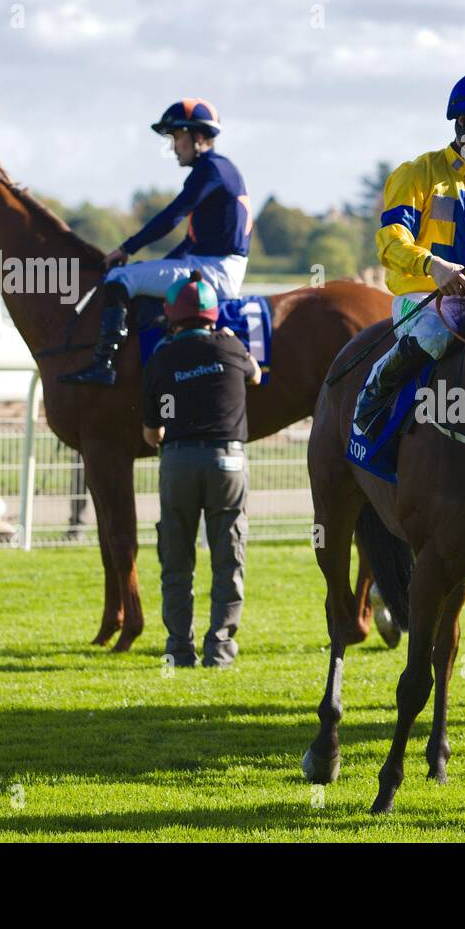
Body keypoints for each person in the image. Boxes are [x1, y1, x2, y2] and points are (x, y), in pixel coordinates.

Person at [352, 69, 465, 440]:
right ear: (463, 123)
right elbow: (390, 241)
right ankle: (375, 393)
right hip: (418, 299)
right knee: (436, 330)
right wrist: (433, 266)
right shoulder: (416, 174)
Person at [63, 99, 253, 387]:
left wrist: (126, 249)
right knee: (139, 274)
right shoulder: (218, 170)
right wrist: (152, 264)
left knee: (119, 277)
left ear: (198, 137)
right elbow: (189, 241)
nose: (174, 146)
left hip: (215, 270)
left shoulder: (210, 169)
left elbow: (170, 217)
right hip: (213, 264)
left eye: (177, 137)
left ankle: (104, 364)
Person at [141, 271, 256, 667]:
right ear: (212, 314)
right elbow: (255, 375)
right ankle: (220, 648)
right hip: (229, 462)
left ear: (172, 316)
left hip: (178, 463)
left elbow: (151, 433)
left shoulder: (160, 358)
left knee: (176, 559)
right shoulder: (231, 346)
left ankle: (178, 647)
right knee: (229, 557)